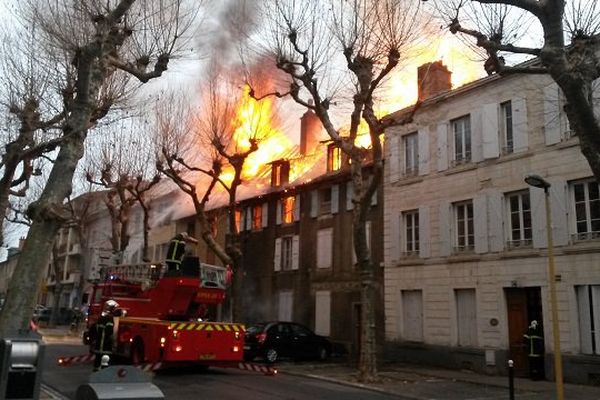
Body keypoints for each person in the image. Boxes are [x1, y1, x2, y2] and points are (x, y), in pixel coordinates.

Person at [92, 300, 118, 372]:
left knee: (97, 363)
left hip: (98, 346)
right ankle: (103, 376)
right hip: (106, 346)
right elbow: (110, 332)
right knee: (105, 363)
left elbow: (94, 330)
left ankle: (95, 376)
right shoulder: (110, 319)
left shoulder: (100, 319)